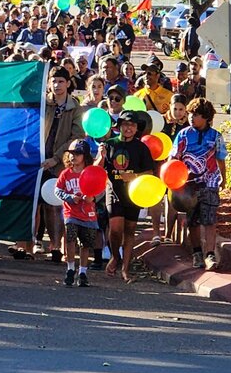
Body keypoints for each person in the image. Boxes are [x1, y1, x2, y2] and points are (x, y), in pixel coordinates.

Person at [33, 66, 85, 263]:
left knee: (54, 205)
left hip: (59, 163)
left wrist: (56, 158)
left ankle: (56, 247)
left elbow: (76, 137)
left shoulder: (75, 108)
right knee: (35, 204)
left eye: (61, 81)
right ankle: (30, 243)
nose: (57, 85)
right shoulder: (43, 104)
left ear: (68, 83)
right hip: (38, 160)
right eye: (53, 81)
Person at [95, 110, 154, 282]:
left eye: (132, 125)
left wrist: (134, 177)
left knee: (129, 231)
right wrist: (101, 156)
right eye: (125, 124)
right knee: (115, 229)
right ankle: (115, 256)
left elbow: (150, 171)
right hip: (113, 191)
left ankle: (125, 270)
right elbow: (96, 169)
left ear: (137, 129)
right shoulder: (109, 144)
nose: (128, 128)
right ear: (119, 126)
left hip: (134, 193)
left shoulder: (142, 147)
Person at [170, 98, 228, 271]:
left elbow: (221, 158)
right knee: (192, 221)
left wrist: (224, 178)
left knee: (209, 219)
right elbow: (173, 158)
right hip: (188, 185)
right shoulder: (184, 135)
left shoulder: (216, 136)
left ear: (206, 117)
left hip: (209, 182)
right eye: (190, 114)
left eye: (195, 115)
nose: (191, 118)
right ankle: (197, 253)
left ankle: (210, 254)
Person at [54, 140, 98, 287]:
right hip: (71, 213)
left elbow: (100, 188)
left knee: (85, 244)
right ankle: (70, 269)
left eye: (77, 154)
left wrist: (93, 197)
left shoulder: (90, 172)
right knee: (70, 239)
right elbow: (57, 190)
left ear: (85, 156)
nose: (73, 156)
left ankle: (83, 272)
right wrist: (70, 197)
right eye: (71, 153)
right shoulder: (66, 173)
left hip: (88, 214)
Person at [154, 94, 190, 245]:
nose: (178, 112)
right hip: (159, 163)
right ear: (170, 106)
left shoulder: (188, 125)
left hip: (177, 168)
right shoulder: (161, 121)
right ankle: (156, 233)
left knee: (172, 199)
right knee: (156, 197)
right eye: (175, 109)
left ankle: (168, 234)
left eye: (181, 109)